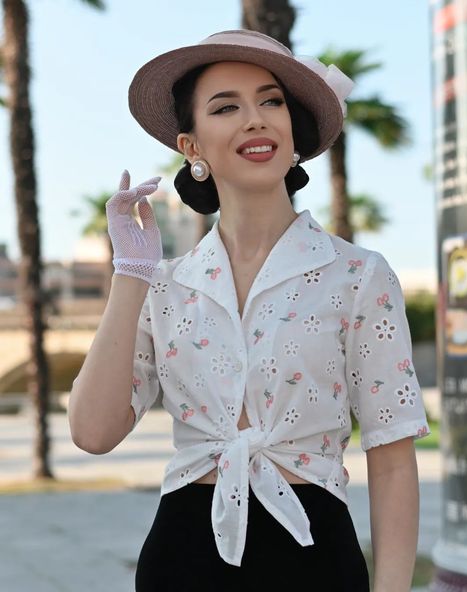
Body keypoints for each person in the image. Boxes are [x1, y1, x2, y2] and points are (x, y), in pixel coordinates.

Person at [68, 29, 431, 592]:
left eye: (271, 101)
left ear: (292, 131)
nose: (256, 118)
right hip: (182, 558)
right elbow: (92, 432)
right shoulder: (165, 285)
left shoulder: (358, 275)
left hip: (314, 556)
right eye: (225, 107)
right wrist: (130, 274)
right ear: (192, 148)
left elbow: (390, 455)